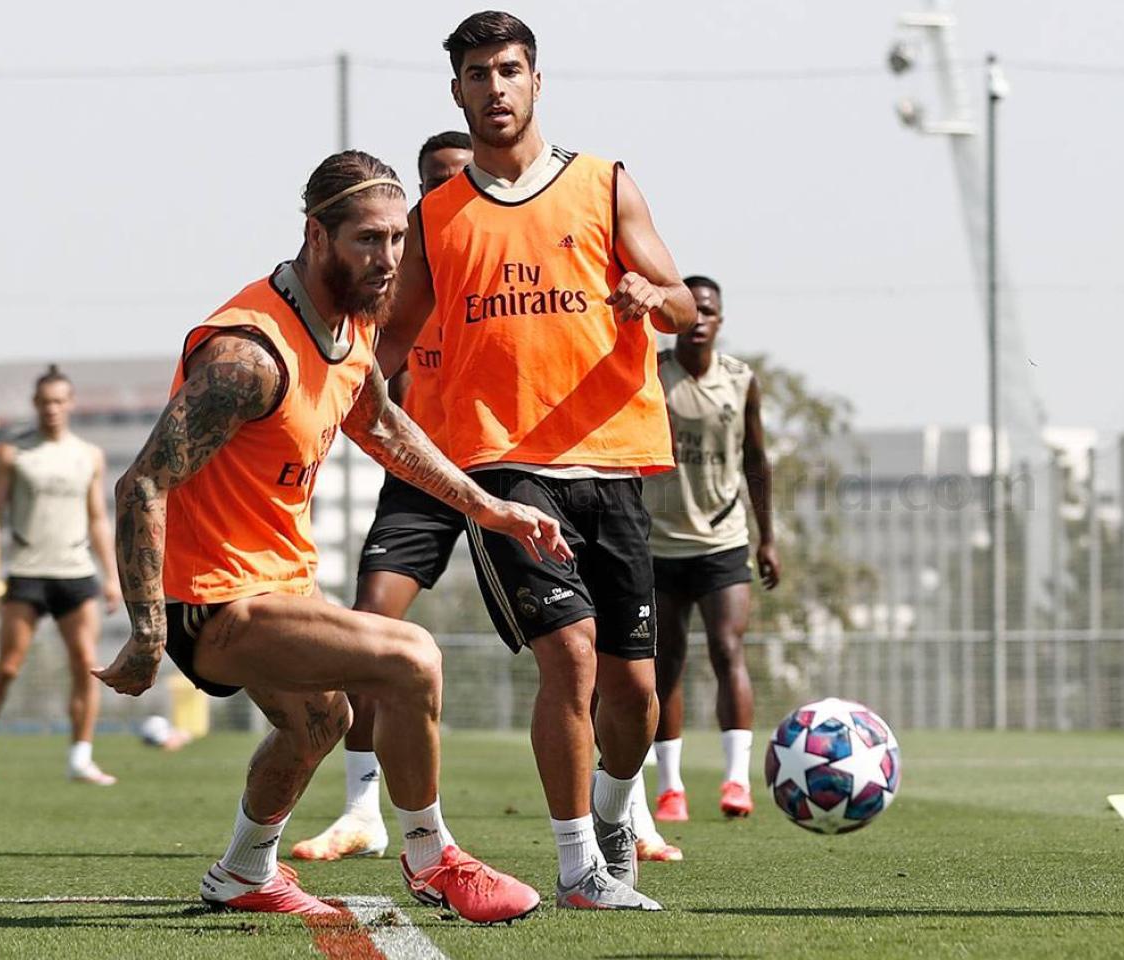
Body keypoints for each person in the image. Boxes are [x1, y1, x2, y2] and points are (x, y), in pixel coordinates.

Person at [93, 149, 571, 923]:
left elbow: (381, 422)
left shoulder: (352, 324)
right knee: (411, 659)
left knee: (323, 721)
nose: (388, 260)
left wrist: (487, 505)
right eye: (368, 241)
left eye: (396, 241)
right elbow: (141, 483)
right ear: (317, 236)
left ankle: (244, 872)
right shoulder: (247, 357)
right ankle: (431, 857)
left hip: (279, 584)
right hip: (210, 604)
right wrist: (147, 633)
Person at [373, 10, 696, 910]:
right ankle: (576, 866)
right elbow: (390, 339)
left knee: (634, 695)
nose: (495, 88)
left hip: (616, 463)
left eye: (509, 70)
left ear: (537, 81)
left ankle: (615, 808)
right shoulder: (435, 215)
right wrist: (324, 410)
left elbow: (680, 301)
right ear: (457, 93)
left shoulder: (605, 184)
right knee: (572, 656)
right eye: (477, 75)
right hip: (504, 470)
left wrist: (650, 293)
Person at [292, 129, 473, 863]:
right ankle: (363, 811)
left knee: (577, 643)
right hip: (420, 474)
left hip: (504, 469)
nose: (445, 194)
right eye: (433, 182)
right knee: (373, 627)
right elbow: (365, 383)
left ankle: (618, 811)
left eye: (458, 180)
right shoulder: (385, 279)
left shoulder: (508, 255)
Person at [633, 275, 780, 860]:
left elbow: (756, 459)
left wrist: (768, 538)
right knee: (667, 661)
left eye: (710, 311)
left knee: (727, 650)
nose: (699, 319)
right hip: (661, 542)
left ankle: (736, 779)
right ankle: (670, 788)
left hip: (722, 540)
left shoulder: (740, 380)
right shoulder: (653, 371)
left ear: (720, 319)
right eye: (691, 310)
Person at [0, 365, 123, 786]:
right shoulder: (12, 453)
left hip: (76, 573)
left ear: (70, 404)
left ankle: (80, 757)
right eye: (45, 401)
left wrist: (111, 575)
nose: (52, 408)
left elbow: (97, 518)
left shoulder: (88, 455)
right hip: (28, 573)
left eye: (59, 401)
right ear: (35, 404)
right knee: (9, 665)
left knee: (87, 663)